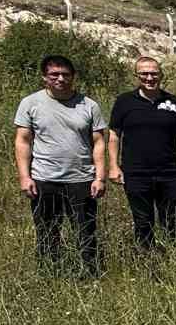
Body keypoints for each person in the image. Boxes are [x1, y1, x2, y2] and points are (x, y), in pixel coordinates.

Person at [13, 54, 106, 277]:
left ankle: (89, 275)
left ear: (73, 77)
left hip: (82, 179)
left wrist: (99, 177)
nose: (61, 79)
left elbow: (99, 142)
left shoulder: (89, 105)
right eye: (54, 74)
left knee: (85, 231)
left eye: (66, 74)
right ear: (45, 77)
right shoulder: (30, 103)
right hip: (44, 179)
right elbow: (22, 140)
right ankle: (49, 273)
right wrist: (24, 177)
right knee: (46, 231)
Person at [107, 56, 176, 251]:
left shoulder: (174, 102)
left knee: (171, 219)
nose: (149, 78)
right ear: (136, 75)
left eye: (154, 73)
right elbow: (114, 135)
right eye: (144, 73)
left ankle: (173, 256)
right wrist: (113, 166)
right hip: (136, 172)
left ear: (161, 75)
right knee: (143, 220)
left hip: (169, 172)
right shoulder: (124, 101)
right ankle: (147, 258)